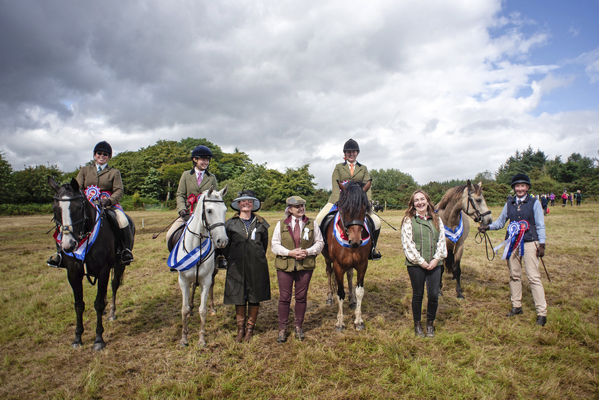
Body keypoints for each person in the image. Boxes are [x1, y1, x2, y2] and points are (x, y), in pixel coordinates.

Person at [47, 141, 134, 267]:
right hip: (86, 205)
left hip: (108, 204)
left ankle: (125, 251)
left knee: (123, 220)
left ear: (109, 157)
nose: (102, 156)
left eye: (105, 154)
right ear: (94, 155)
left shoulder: (114, 172)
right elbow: (77, 188)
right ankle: (60, 254)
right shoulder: (85, 170)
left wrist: (109, 200)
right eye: (99, 153)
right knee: (63, 223)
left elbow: (119, 190)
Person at [479, 173, 547, 326]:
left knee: (533, 277)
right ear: (514, 188)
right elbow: (501, 222)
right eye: (517, 186)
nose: (520, 188)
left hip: (530, 242)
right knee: (514, 275)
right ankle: (517, 306)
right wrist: (487, 227)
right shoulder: (509, 204)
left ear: (527, 187)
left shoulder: (535, 203)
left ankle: (541, 312)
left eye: (523, 186)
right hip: (513, 243)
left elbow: (540, 224)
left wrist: (541, 244)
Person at [315, 139, 382, 260]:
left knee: (376, 221)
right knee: (319, 218)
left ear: (357, 153)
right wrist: (338, 201)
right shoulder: (339, 167)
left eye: (354, 152)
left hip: (358, 201)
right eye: (349, 152)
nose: (351, 154)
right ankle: (324, 247)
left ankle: (373, 248)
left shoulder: (363, 168)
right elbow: (335, 185)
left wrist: (368, 201)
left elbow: (367, 186)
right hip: (339, 199)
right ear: (345, 154)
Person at [271, 196, 324, 343]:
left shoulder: (312, 223)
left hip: (305, 266)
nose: (301, 209)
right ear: (289, 209)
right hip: (285, 266)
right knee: (284, 298)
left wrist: (308, 252)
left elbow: (320, 243)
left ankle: (298, 327)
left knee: (301, 297)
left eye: (302, 206)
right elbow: (274, 245)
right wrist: (290, 253)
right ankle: (282, 329)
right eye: (297, 207)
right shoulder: (280, 224)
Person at [165, 145, 226, 269]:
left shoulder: (211, 177)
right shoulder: (186, 175)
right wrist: (181, 209)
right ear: (195, 160)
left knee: (219, 233)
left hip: (206, 215)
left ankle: (219, 258)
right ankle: (175, 258)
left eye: (207, 160)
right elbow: (180, 194)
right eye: (202, 159)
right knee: (170, 234)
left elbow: (214, 196)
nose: (205, 162)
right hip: (188, 212)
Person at [223, 190, 271, 342]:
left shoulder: (261, 223)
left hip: (257, 266)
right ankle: (240, 329)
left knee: (254, 296)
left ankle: (250, 329)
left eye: (249, 201)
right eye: (243, 201)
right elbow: (225, 246)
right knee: (239, 296)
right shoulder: (229, 224)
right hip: (236, 266)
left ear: (253, 204)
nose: (246, 203)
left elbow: (264, 245)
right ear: (238, 204)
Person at [400, 190, 447, 338]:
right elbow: (407, 243)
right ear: (413, 204)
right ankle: (417, 324)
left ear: (427, 201)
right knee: (418, 294)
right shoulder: (408, 220)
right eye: (416, 200)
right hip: (416, 265)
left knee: (433, 295)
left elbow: (442, 241)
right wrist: (421, 262)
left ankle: (430, 324)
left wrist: (435, 259)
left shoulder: (437, 219)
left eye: (422, 199)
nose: (420, 202)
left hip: (435, 263)